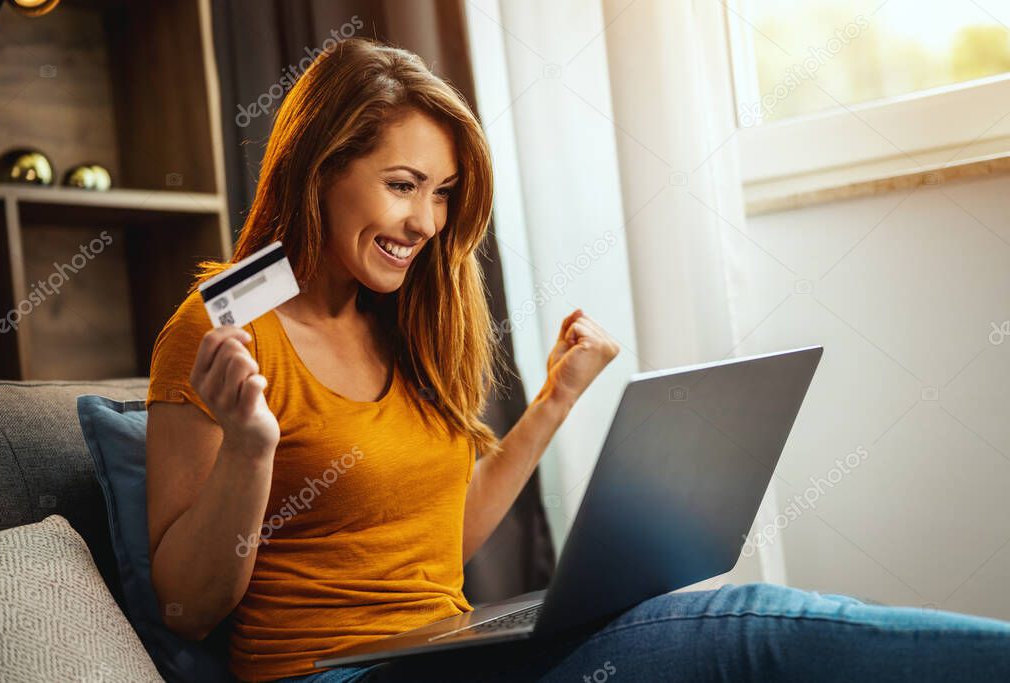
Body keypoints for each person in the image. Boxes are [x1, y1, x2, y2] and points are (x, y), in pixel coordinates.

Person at [145, 38, 1010, 683]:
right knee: (743, 631)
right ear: (319, 170)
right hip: (331, 673)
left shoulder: (395, 317)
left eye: (442, 194)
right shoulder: (219, 333)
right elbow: (187, 604)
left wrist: (556, 399)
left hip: (453, 649)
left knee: (724, 623)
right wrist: (253, 448)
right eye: (403, 185)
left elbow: (440, 540)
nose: (427, 224)